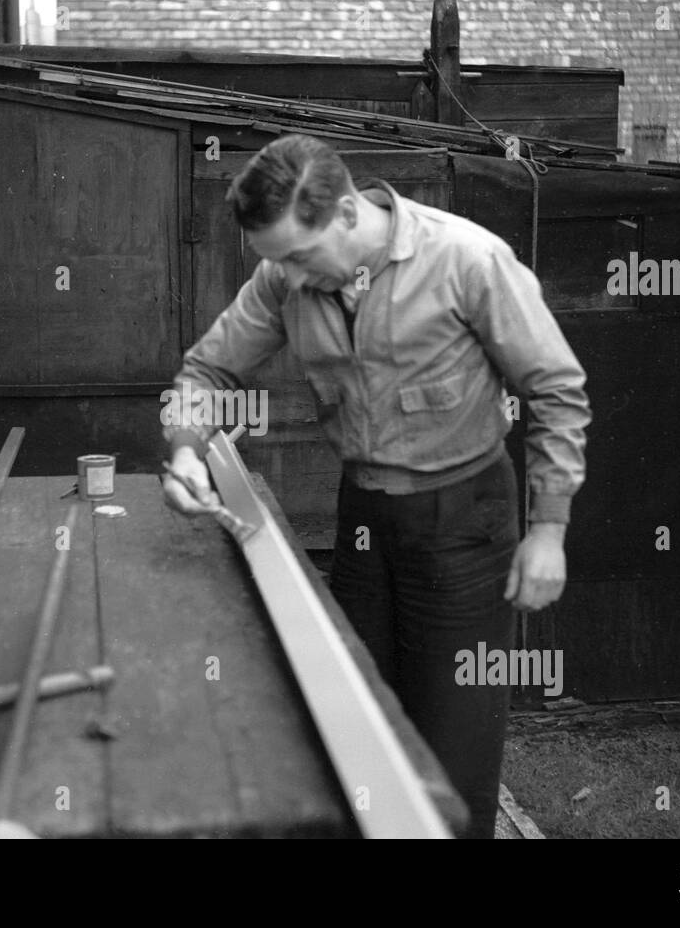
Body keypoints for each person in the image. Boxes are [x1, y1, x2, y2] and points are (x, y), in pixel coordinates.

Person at [160, 133, 591, 839]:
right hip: (363, 522)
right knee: (357, 735)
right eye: (277, 261)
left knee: (454, 766)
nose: (290, 277)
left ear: (349, 211)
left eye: (300, 255)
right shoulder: (284, 277)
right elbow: (206, 374)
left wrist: (548, 528)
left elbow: (558, 391)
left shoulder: (467, 260)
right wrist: (184, 450)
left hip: (466, 527)